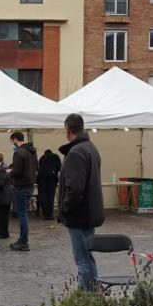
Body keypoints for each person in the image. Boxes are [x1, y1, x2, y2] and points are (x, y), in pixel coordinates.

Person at [58, 114, 105, 291]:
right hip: (88, 212)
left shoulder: (76, 152)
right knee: (87, 256)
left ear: (68, 129)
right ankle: (88, 293)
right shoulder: (91, 148)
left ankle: (89, 296)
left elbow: (75, 188)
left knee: (83, 259)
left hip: (79, 214)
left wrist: (65, 207)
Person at [8, 131, 38, 252]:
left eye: (12, 141)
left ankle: (23, 242)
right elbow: (35, 167)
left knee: (22, 215)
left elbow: (17, 171)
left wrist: (10, 172)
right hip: (29, 186)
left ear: (15, 139)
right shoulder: (32, 152)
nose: (12, 143)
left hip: (21, 187)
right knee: (23, 214)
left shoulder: (19, 153)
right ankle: (22, 239)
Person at [37, 149, 62, 220]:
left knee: (43, 196)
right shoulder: (55, 156)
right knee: (51, 195)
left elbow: (39, 167)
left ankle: (45, 214)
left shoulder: (42, 158)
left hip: (41, 178)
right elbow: (59, 167)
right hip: (52, 177)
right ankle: (50, 214)